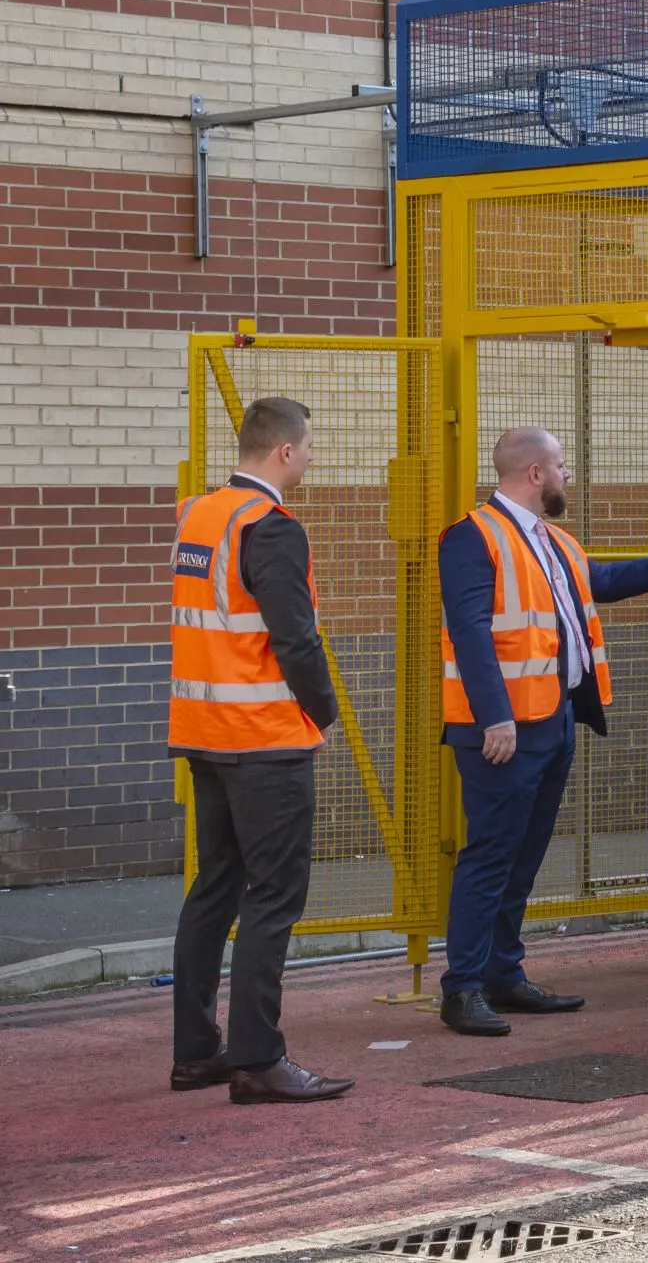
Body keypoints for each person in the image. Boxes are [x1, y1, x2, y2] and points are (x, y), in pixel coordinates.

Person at [436, 426, 648, 1036]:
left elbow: (600, 584)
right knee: (491, 856)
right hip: (503, 731)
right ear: (535, 474)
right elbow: (470, 630)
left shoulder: (552, 540)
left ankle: (503, 974)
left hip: (553, 719)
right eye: (562, 466)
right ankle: (463, 989)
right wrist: (495, 716)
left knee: (524, 857)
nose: (569, 476)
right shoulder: (471, 537)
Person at [167, 396, 354, 1104]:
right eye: (309, 447)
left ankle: (196, 1052)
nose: (311, 458)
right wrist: (325, 711)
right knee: (273, 895)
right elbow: (294, 637)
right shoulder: (272, 528)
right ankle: (257, 1057)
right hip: (264, 738)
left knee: (214, 888)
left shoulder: (199, 514)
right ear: (283, 450)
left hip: (204, 731)